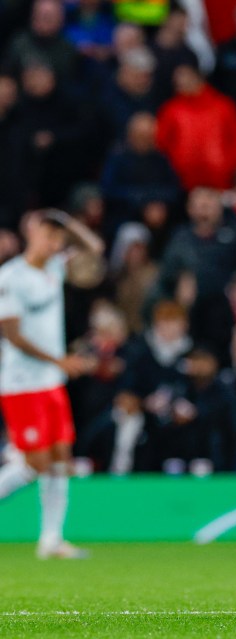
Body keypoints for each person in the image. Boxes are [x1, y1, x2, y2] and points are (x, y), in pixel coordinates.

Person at [0, 209, 103, 558]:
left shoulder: (55, 268)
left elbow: (95, 250)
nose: (55, 242)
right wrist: (59, 360)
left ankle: (51, 540)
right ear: (32, 234)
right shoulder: (11, 276)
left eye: (58, 238)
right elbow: (11, 334)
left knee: (60, 458)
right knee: (33, 465)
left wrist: (66, 220)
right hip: (21, 383)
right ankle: (50, 538)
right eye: (49, 234)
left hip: (50, 382)